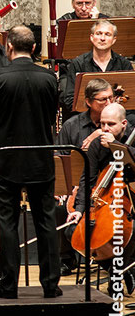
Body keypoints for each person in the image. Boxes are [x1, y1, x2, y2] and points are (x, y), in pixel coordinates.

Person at [0, 24, 61, 299]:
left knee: (7, 223)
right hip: (41, 159)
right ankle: (51, 285)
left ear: (9, 47)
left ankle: (8, 285)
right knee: (46, 221)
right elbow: (52, 116)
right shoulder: (49, 77)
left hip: (7, 160)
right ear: (35, 48)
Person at [65, 103, 135, 296]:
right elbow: (88, 178)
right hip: (104, 200)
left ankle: (118, 274)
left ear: (124, 124)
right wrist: (79, 208)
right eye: (102, 123)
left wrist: (117, 147)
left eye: (110, 124)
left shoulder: (131, 140)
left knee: (126, 230)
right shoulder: (97, 144)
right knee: (74, 231)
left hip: (130, 199)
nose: (104, 128)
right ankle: (119, 268)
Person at [61, 19, 132, 113]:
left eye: (107, 34)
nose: (102, 38)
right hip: (87, 116)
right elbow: (70, 100)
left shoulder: (124, 64)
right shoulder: (78, 64)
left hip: (116, 117)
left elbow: (131, 100)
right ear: (91, 37)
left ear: (114, 40)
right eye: (98, 33)